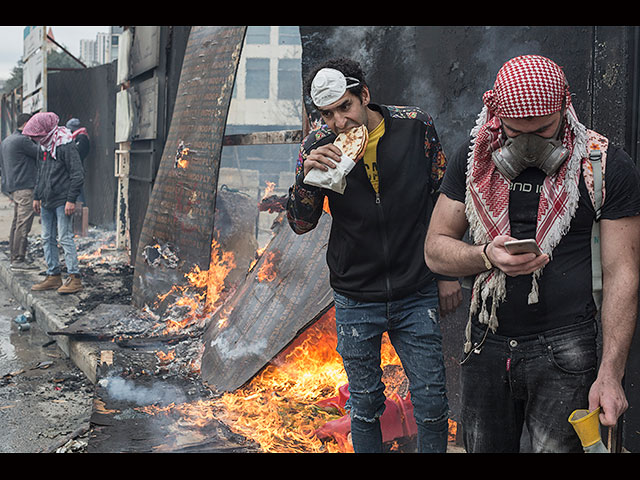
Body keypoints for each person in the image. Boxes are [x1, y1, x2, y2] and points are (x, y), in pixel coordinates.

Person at [424, 55, 640, 453]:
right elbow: (435, 251)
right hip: (486, 342)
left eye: (543, 131)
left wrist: (610, 373)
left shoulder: (603, 165)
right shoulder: (473, 160)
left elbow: (622, 273)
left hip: (567, 349)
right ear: (495, 116)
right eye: (514, 133)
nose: (529, 145)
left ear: (564, 106)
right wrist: (486, 254)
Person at [286, 58, 462, 453]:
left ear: (364, 96)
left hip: (416, 288)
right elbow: (300, 223)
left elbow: (444, 200)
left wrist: (448, 273)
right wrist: (306, 179)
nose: (339, 122)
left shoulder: (416, 126)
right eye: (327, 114)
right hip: (355, 296)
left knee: (432, 403)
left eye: (345, 107)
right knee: (365, 407)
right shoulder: (317, 146)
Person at [23, 112, 85, 295]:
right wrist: (37, 196)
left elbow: (77, 174)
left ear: (46, 131)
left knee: (65, 238)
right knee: (46, 238)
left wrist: (70, 200)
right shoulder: (44, 146)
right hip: (46, 201)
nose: (35, 140)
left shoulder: (65, 145)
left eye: (37, 136)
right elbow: (41, 174)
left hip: (62, 200)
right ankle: (53, 275)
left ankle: (75, 278)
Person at [0, 112, 39, 271]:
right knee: (24, 223)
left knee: (17, 222)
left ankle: (14, 255)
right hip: (24, 188)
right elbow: (40, 153)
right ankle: (18, 259)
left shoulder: (7, 140)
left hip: (14, 186)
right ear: (27, 123)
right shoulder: (23, 141)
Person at [66, 118, 90, 204]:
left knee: (78, 192)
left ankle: (82, 213)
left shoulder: (82, 138)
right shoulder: (78, 137)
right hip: (75, 169)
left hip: (77, 169)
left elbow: (77, 152)